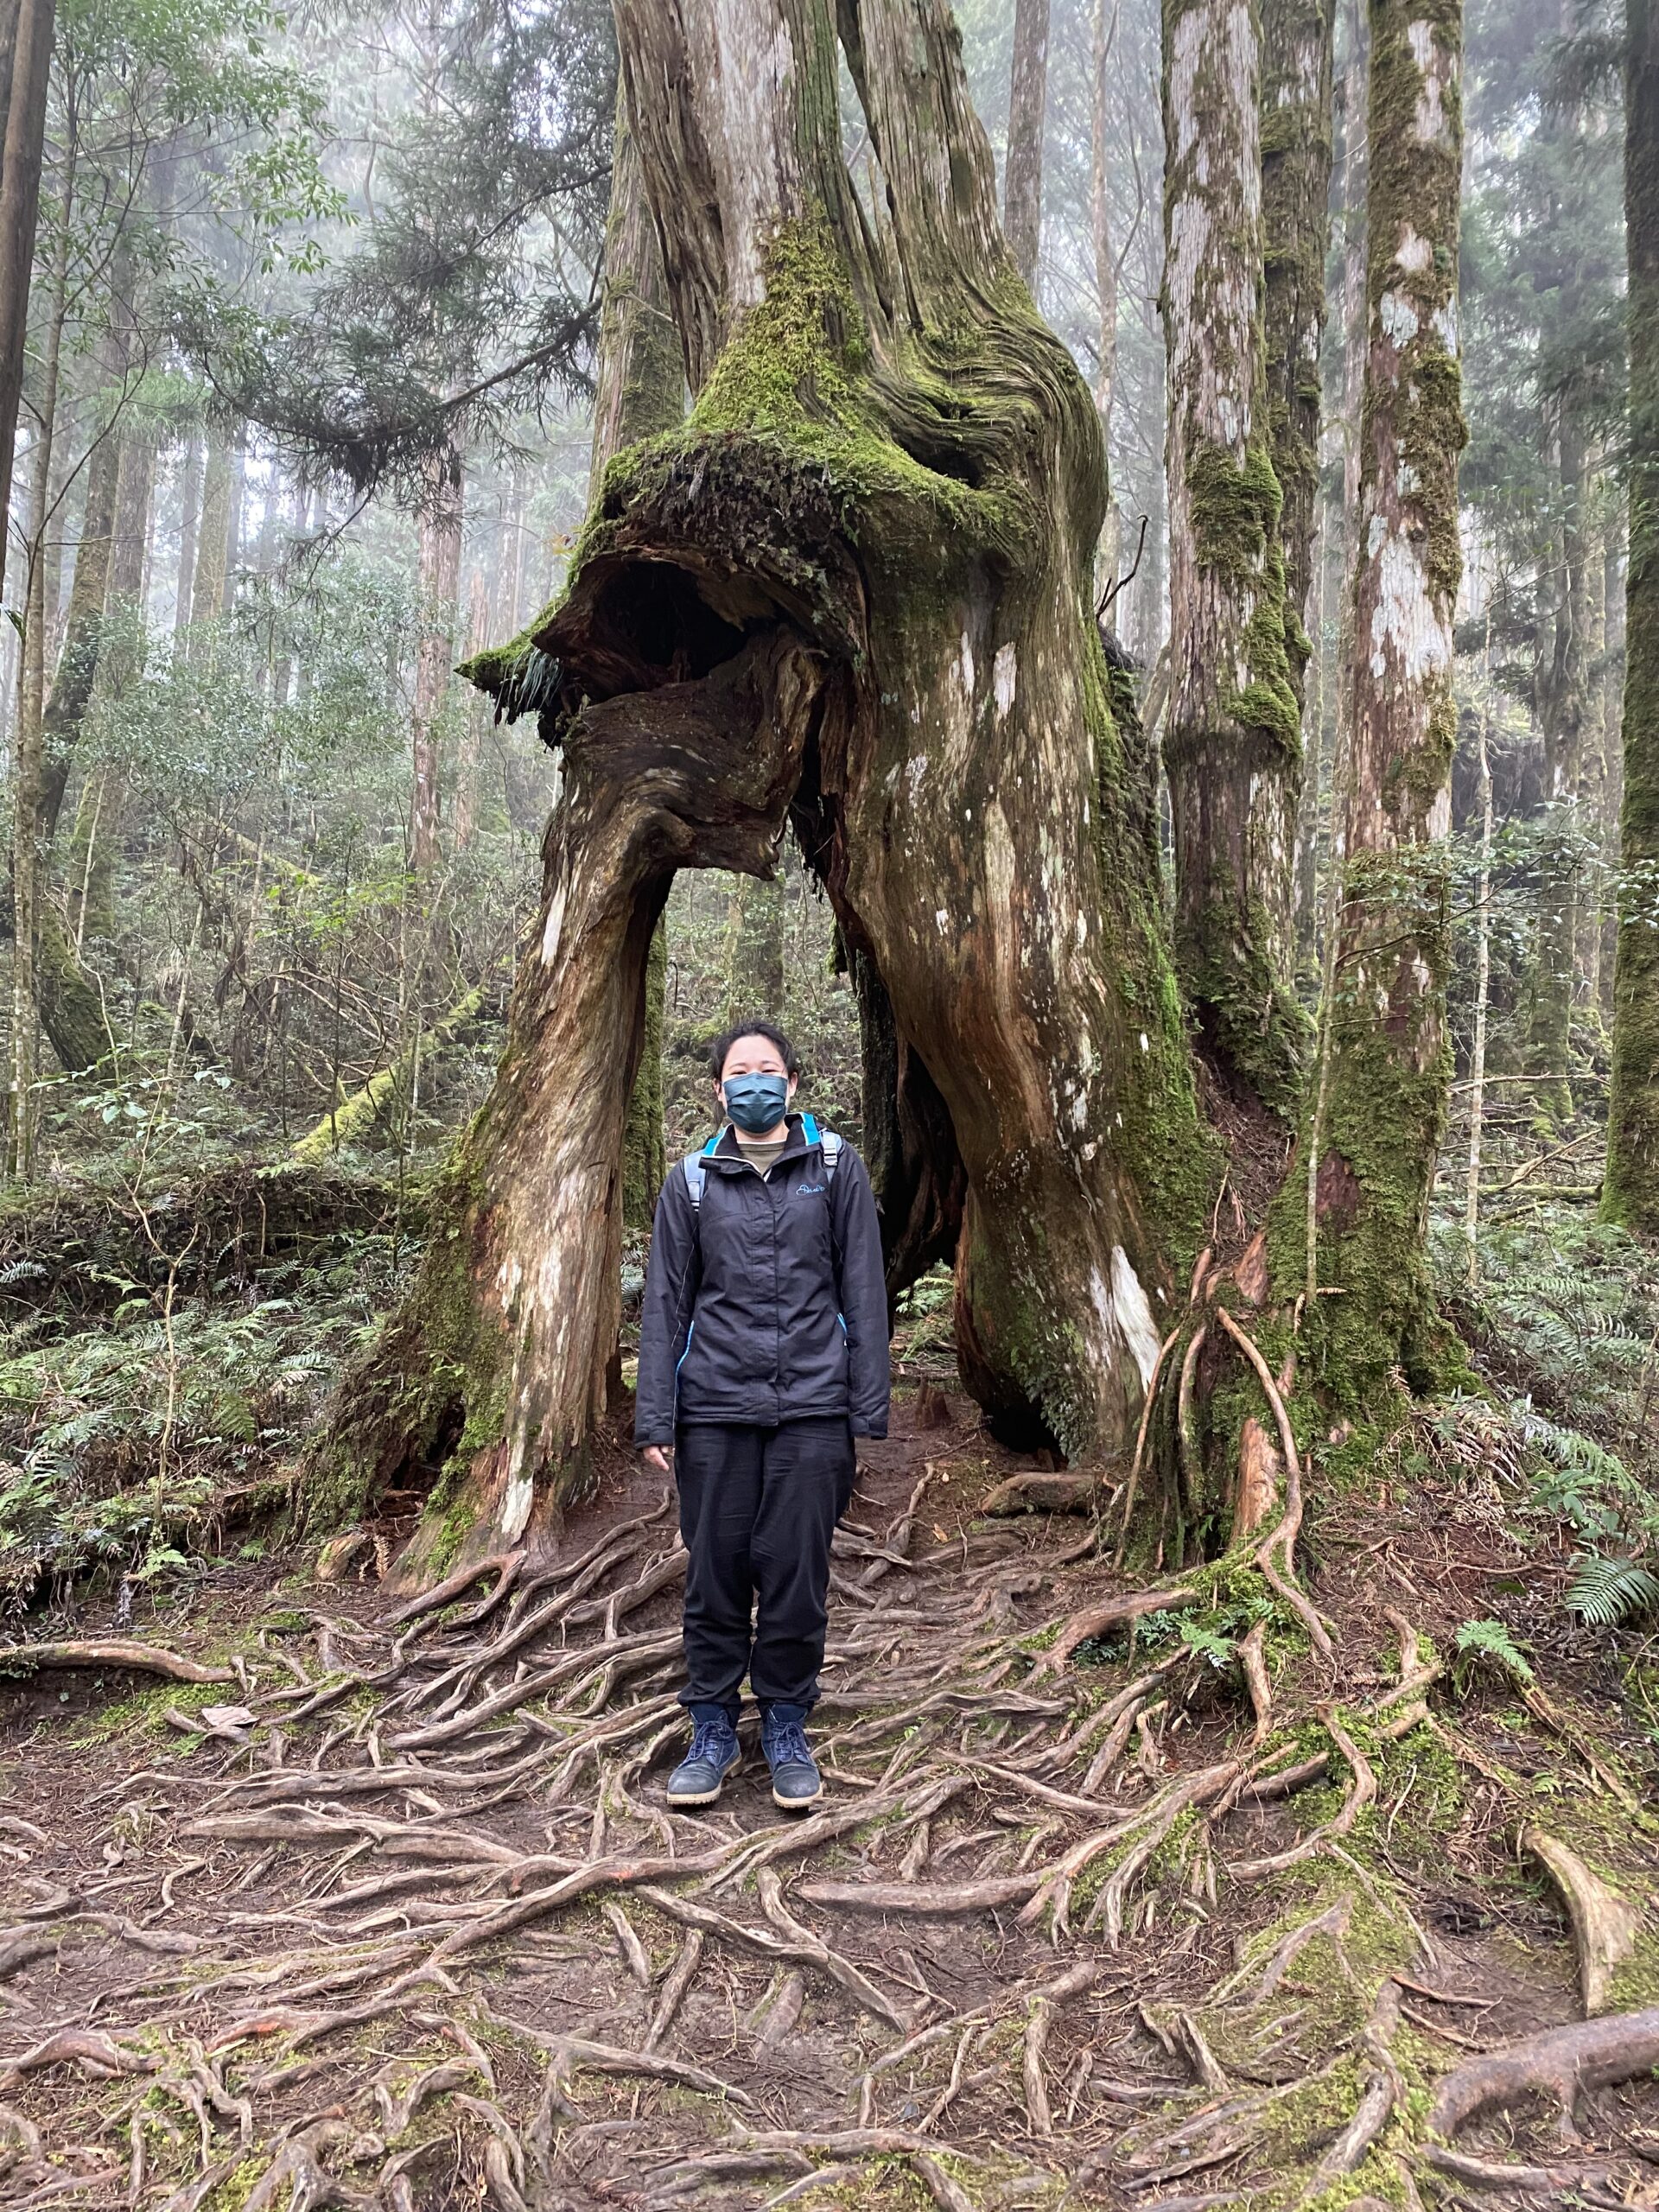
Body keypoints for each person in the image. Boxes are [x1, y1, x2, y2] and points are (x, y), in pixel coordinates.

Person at [635, 1020, 891, 1810]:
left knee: (795, 1574)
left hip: (814, 1408)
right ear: (718, 1089)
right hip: (713, 1408)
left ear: (791, 1083)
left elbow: (864, 1290)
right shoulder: (692, 1182)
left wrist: (865, 1409)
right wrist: (657, 1417)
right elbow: (666, 1303)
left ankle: (785, 1721)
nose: (753, 1081)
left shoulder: (835, 1167)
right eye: (738, 1071)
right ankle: (710, 1724)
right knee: (714, 1572)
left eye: (767, 1069)